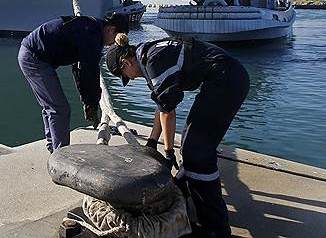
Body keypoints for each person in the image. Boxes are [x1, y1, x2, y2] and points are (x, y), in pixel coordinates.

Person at [105, 33, 249, 238]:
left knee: (198, 153)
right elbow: (161, 104)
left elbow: (167, 111)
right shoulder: (148, 54)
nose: (131, 78)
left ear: (126, 62)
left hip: (226, 81)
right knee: (191, 146)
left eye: (126, 75)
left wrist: (169, 150)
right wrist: (153, 141)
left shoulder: (153, 60)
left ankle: (216, 228)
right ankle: (177, 196)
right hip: (222, 79)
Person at [18, 13, 130, 153]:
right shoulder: (92, 34)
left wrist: (88, 102)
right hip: (34, 58)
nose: (111, 45)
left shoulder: (90, 28)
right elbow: (89, 73)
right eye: (114, 41)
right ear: (111, 30)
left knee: (52, 107)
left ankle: (54, 147)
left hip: (32, 53)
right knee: (59, 109)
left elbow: (79, 70)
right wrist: (92, 104)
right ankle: (61, 156)